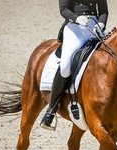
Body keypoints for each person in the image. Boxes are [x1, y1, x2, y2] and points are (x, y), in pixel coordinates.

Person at [40, 0, 109, 130]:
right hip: (74, 28)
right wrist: (76, 18)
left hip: (94, 27)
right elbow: (64, 9)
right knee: (65, 66)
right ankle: (51, 110)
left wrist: (101, 23)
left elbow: (103, 11)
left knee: (112, 57)